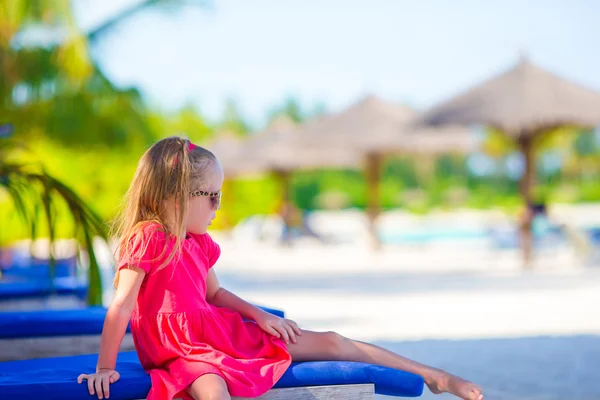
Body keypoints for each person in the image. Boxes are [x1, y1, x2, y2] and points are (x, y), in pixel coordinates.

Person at [77, 137, 484, 400]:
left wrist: (260, 315)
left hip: (220, 334)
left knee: (331, 342)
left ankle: (436, 376)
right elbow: (122, 306)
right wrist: (105, 368)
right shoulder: (149, 236)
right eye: (211, 197)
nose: (218, 207)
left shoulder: (197, 241)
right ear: (175, 195)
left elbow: (214, 294)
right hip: (180, 352)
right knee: (211, 391)